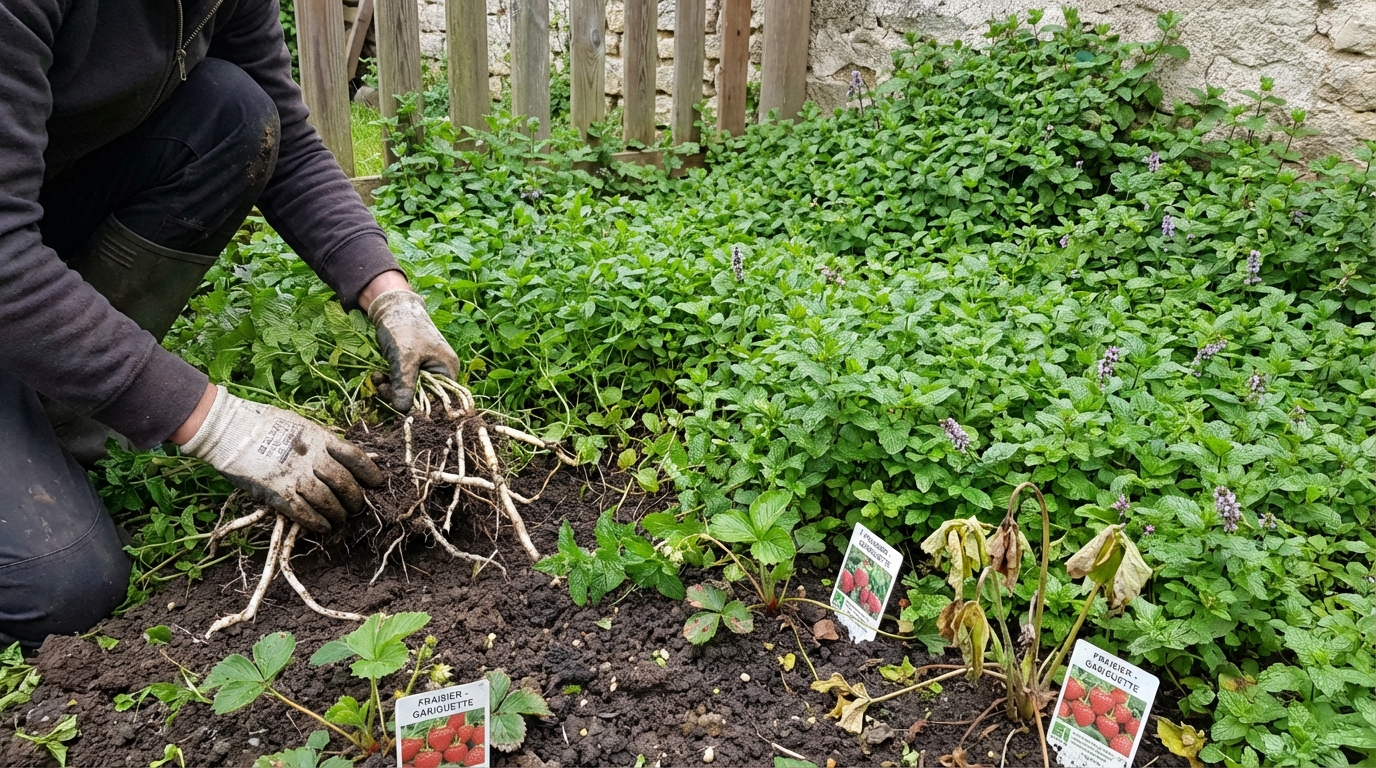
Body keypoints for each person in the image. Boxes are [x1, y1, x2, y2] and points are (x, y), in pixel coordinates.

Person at [0, 0, 460, 649]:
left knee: (234, 114)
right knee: (60, 589)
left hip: (33, 228)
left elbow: (289, 144)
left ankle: (49, 399)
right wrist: (216, 423)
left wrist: (390, 296)